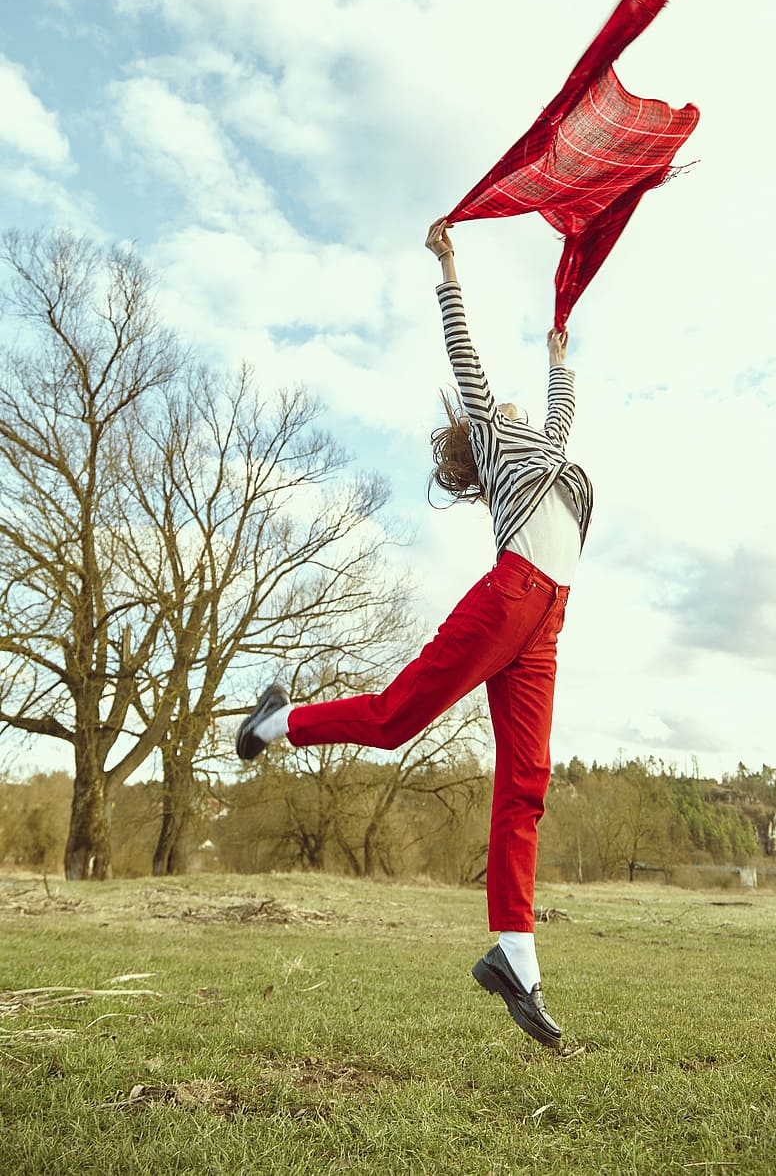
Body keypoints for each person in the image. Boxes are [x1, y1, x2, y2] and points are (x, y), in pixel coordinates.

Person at [236, 218, 594, 1050]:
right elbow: (465, 354)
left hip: (549, 618)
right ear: (480, 433)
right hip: (513, 594)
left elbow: (562, 408)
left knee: (527, 781)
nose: (506, 403)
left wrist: (558, 355)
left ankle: (516, 954)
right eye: (495, 406)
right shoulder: (500, 441)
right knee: (397, 718)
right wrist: (447, 264)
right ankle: (275, 721)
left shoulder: (545, 442)